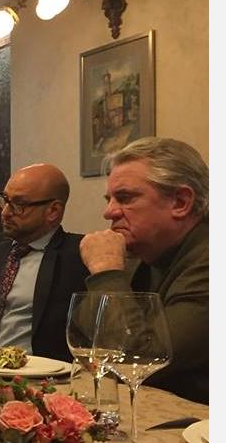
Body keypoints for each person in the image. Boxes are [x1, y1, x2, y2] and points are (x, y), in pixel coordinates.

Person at [80, 137, 209, 404]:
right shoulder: (140, 250)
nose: (109, 212)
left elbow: (139, 363)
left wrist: (106, 272)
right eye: (109, 199)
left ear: (180, 202)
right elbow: (85, 334)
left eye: (125, 198)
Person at [0, 164, 89, 361]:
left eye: (19, 204)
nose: (5, 212)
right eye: (5, 200)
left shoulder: (79, 257)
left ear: (53, 211)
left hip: (40, 373)